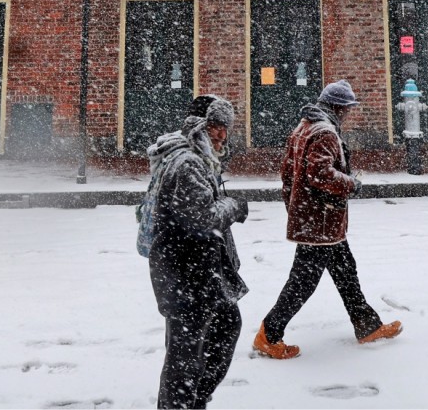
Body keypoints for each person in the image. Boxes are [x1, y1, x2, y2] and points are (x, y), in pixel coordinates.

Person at [252, 80, 402, 359]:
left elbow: (287, 174)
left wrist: (295, 208)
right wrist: (351, 184)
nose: (348, 114)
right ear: (337, 107)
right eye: (346, 109)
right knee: (303, 281)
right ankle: (269, 335)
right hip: (321, 222)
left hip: (317, 221)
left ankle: (367, 325)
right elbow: (320, 175)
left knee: (346, 270)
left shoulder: (303, 128)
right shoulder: (324, 133)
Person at [147, 96, 249, 409]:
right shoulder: (188, 163)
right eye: (216, 126)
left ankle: (193, 401)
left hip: (195, 270)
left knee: (217, 332)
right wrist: (234, 205)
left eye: (225, 128)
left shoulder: (197, 159)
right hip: (185, 271)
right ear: (198, 126)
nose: (221, 134)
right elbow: (201, 218)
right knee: (185, 354)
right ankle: (184, 404)